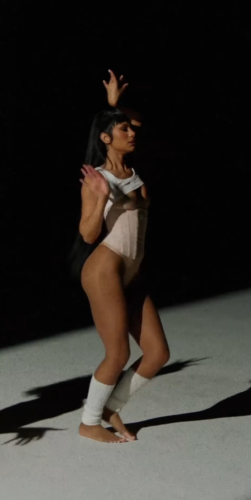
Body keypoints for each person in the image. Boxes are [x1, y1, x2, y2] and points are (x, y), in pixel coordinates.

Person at [74, 70, 170, 442]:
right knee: (117, 353)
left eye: (132, 130)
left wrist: (114, 106)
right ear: (106, 138)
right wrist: (99, 198)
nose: (133, 133)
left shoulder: (131, 170)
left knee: (158, 353)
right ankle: (89, 422)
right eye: (125, 130)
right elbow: (87, 234)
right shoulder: (97, 177)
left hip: (131, 270)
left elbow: (124, 121)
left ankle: (110, 409)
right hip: (106, 267)